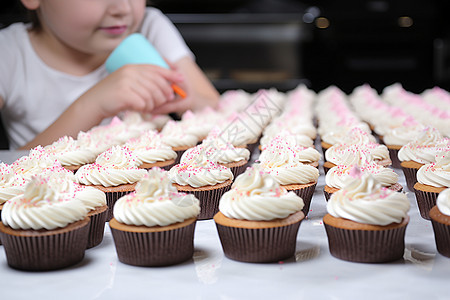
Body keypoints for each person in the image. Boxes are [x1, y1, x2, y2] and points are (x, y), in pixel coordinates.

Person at [0, 0, 220, 150]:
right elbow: (15, 169)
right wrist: (93, 105)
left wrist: (184, 101)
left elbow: (214, 106)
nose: (122, 8)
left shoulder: (147, 28)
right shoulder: (9, 53)